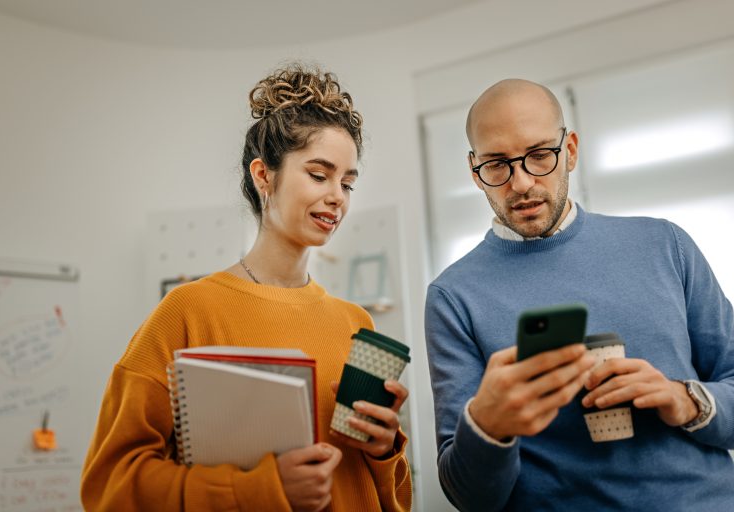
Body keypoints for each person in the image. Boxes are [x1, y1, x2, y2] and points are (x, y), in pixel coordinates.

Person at [82, 64, 412, 512]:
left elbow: (394, 501)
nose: (338, 196)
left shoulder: (356, 322)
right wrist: (259, 489)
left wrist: (384, 449)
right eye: (319, 175)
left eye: (348, 182)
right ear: (264, 176)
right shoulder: (187, 311)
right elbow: (109, 487)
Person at [424, 78, 734, 511]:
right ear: (474, 171)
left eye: (539, 156)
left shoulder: (666, 244)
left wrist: (685, 400)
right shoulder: (452, 297)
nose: (520, 183)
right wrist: (488, 425)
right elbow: (470, 497)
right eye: (497, 164)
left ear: (569, 150)